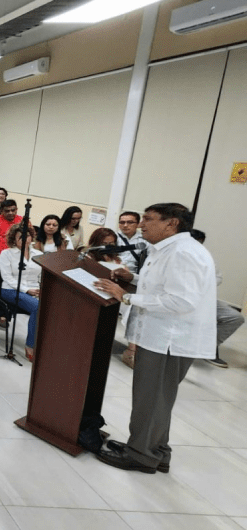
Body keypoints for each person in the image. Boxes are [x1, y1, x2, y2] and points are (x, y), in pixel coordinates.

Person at [93, 203, 216, 474]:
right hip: (163, 337)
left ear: (171, 223)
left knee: (151, 399)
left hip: (169, 339)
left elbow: (181, 300)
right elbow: (164, 286)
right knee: (157, 400)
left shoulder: (183, 253)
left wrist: (126, 296)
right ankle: (156, 451)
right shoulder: (170, 249)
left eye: (148, 219)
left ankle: (141, 455)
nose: (141, 224)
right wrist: (133, 278)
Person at [190, 229, 245, 368]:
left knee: (235, 317)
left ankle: (207, 348)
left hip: (203, 298)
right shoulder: (173, 254)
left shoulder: (205, 256)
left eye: (200, 243)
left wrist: (205, 285)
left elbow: (218, 277)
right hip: (181, 299)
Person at [0, 223, 42, 362]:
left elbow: (41, 276)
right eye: (20, 236)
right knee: (37, 307)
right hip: (11, 290)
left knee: (53, 306)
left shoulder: (39, 255)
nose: (24, 239)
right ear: (13, 239)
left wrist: (41, 290)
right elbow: (7, 278)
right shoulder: (6, 254)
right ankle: (30, 345)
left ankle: (45, 344)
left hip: (35, 289)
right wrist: (26, 290)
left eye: (27, 235)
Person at [116, 211, 148, 275]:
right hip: (113, 271)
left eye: (130, 222)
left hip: (133, 275)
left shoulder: (145, 239)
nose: (125, 225)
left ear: (138, 224)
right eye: (122, 222)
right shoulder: (113, 237)